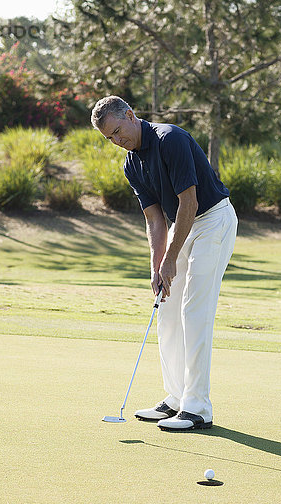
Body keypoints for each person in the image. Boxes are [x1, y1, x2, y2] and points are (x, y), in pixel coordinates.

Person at [91, 96, 238, 431]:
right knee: (167, 309)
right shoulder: (131, 163)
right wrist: (157, 267)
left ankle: (198, 407)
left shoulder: (169, 139)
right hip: (180, 225)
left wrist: (171, 258)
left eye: (117, 132)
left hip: (212, 220)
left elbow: (190, 202)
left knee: (193, 310)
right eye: (109, 139)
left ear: (130, 115)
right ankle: (175, 398)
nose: (117, 141)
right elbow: (155, 221)